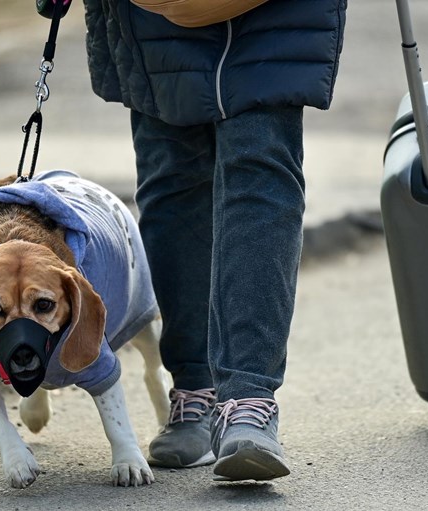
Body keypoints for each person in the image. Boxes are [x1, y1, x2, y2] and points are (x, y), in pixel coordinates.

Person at [81, 0, 347, 481]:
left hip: (270, 13)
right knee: (173, 180)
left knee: (260, 169)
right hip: (152, 13)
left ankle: (248, 399)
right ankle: (195, 390)